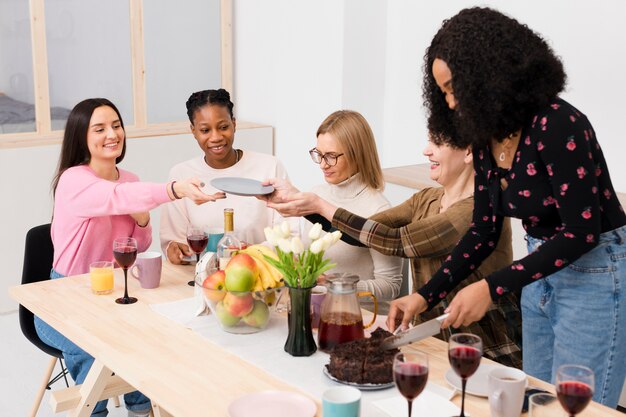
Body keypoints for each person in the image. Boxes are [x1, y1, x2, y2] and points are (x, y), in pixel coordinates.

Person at [387, 7, 625, 406]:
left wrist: (492, 286)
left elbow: (580, 232)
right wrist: (424, 297)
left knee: (581, 411)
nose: (447, 101)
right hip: (539, 272)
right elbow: (483, 230)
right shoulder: (485, 136)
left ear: (488, 74)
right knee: (533, 404)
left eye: (452, 88)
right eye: (441, 91)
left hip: (594, 276)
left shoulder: (559, 124)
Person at [262, 134, 522, 368]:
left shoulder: (476, 211)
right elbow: (363, 233)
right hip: (434, 346)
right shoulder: (427, 198)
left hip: (486, 352)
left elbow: (396, 240)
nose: (426, 150)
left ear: (468, 151)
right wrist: (298, 201)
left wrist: (317, 204)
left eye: (437, 142)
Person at [35, 97, 224, 417]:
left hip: (114, 293)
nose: (112, 134)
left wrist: (142, 219)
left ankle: (141, 409)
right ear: (82, 136)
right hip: (65, 297)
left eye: (116, 125)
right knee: (95, 348)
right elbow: (112, 197)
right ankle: (94, 412)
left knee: (149, 340)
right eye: (100, 128)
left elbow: (137, 244)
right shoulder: (73, 180)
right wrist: (174, 189)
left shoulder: (130, 181)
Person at [160, 89, 294, 264]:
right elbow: (173, 240)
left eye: (223, 127)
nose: (215, 137)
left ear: (234, 124)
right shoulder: (181, 175)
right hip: (201, 278)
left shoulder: (269, 167)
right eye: (205, 130)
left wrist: (252, 252)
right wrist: (174, 248)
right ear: (193, 131)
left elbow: (289, 234)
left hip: (259, 273)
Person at [305, 110, 403, 302]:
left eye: (331, 156)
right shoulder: (315, 195)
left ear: (357, 155)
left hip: (356, 318)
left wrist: (335, 286)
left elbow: (391, 286)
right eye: (319, 154)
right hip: (317, 310)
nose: (323, 165)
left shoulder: (378, 210)